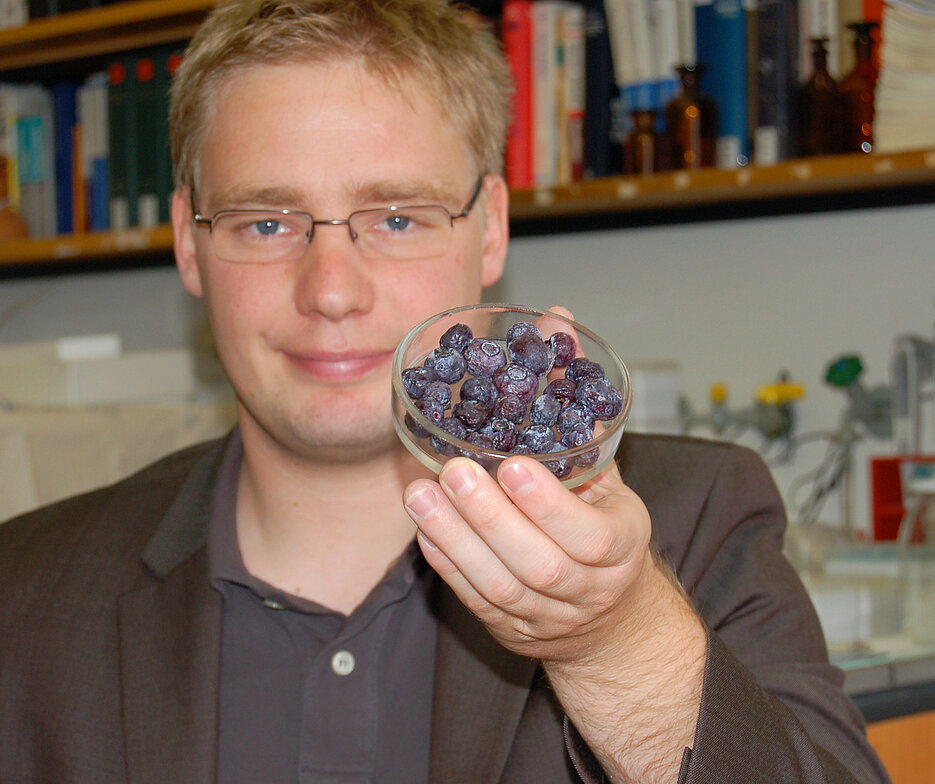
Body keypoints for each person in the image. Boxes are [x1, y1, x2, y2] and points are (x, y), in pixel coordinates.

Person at [0, 1, 891, 782]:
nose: (333, 290)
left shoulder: (696, 525)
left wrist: (611, 641)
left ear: (491, 226)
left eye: (396, 217)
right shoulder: (27, 593)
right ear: (190, 245)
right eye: (265, 221)